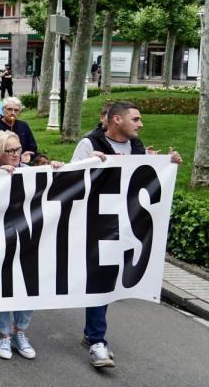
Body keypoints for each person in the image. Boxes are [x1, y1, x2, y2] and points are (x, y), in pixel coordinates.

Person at [71, 101, 182, 369]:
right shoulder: (90, 143)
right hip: (97, 225)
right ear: (116, 120)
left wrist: (165, 164)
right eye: (136, 119)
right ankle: (98, 341)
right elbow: (72, 179)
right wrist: (94, 165)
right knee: (101, 280)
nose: (140, 124)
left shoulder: (137, 147)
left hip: (127, 226)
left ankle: (91, 334)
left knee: (109, 281)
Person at [0, 131, 62, 361]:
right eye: (10, 151)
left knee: (29, 285)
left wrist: (55, 169)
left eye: (18, 150)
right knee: (3, 286)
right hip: (0, 240)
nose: (16, 155)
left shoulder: (30, 172)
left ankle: (20, 331)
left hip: (30, 241)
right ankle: (4, 334)